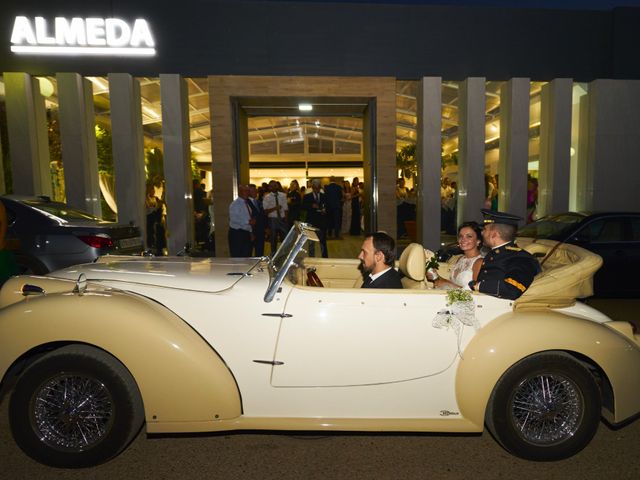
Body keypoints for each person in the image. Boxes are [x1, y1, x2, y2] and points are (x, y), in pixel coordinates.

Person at [469, 209, 541, 300]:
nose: (482, 232)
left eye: (484, 229)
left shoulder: (521, 258)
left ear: (494, 234)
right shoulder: (495, 254)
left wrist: (479, 286)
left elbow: (512, 289)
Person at [430, 221, 484, 290]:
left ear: (478, 241)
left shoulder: (479, 262)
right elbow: (452, 283)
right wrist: (436, 276)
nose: (463, 240)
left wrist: (448, 284)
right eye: (461, 236)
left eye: (469, 236)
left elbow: (476, 292)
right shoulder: (460, 259)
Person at [302, 179, 328, 258]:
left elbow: (328, 207)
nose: (317, 190)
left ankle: (325, 257)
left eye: (318, 188)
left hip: (322, 221)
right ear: (312, 187)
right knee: (311, 241)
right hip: (311, 221)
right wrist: (311, 206)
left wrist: (325, 210)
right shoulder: (307, 196)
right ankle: (311, 257)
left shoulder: (324, 196)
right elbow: (302, 207)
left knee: (323, 241)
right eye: (315, 188)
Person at [262, 180, 289, 254]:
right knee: (273, 239)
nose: (274, 187)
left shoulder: (283, 195)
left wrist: (286, 219)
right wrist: (275, 208)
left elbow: (286, 208)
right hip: (272, 219)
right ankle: (274, 255)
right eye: (272, 186)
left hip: (282, 219)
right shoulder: (266, 197)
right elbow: (265, 211)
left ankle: (284, 255)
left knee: (285, 238)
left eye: (275, 185)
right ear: (269, 187)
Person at [228, 184, 254, 257]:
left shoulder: (248, 203)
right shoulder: (235, 204)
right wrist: (248, 222)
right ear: (240, 192)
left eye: (248, 191)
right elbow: (234, 219)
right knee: (237, 256)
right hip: (237, 234)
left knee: (247, 256)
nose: (247, 193)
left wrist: (251, 232)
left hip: (246, 233)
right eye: (245, 191)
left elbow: (249, 217)